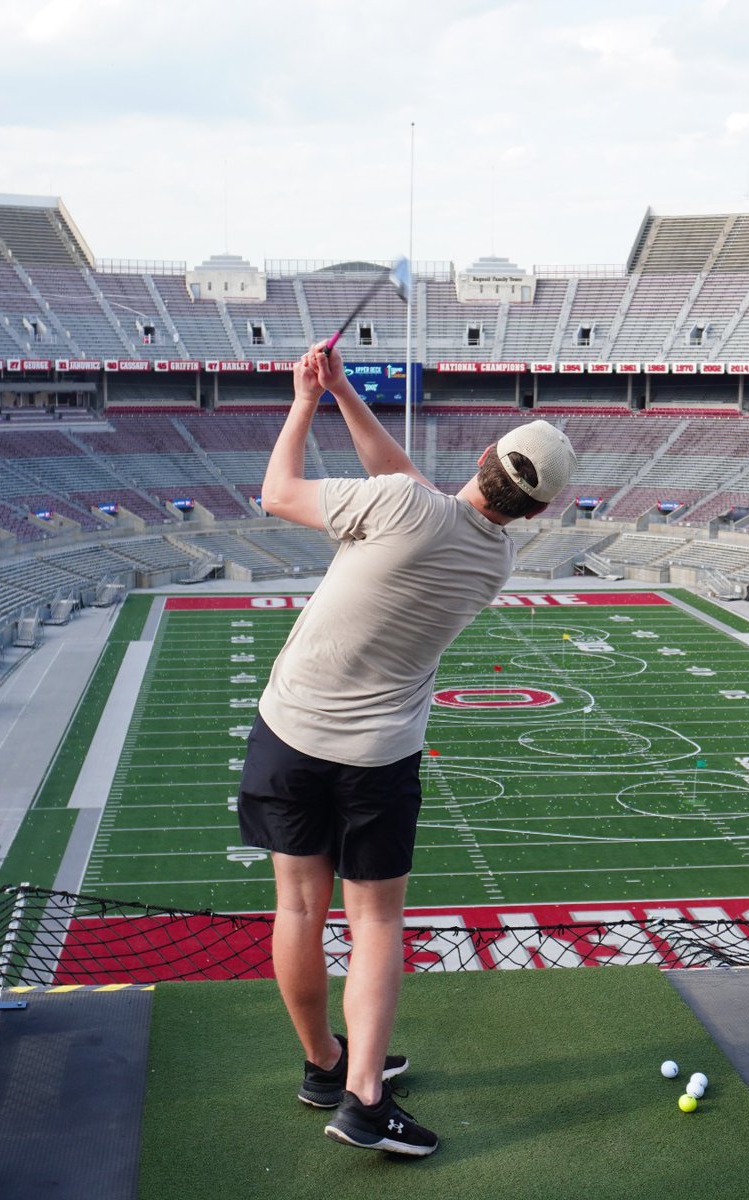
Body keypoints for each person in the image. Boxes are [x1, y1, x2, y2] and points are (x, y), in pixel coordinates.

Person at [237, 342, 577, 1157]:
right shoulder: (494, 556)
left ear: (485, 456)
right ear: (535, 514)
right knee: (376, 921)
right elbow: (415, 487)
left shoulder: (400, 504)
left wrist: (307, 400)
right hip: (379, 755)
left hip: (288, 733)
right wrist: (347, 394)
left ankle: (326, 1066)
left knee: (298, 910)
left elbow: (278, 492)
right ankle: (362, 1095)